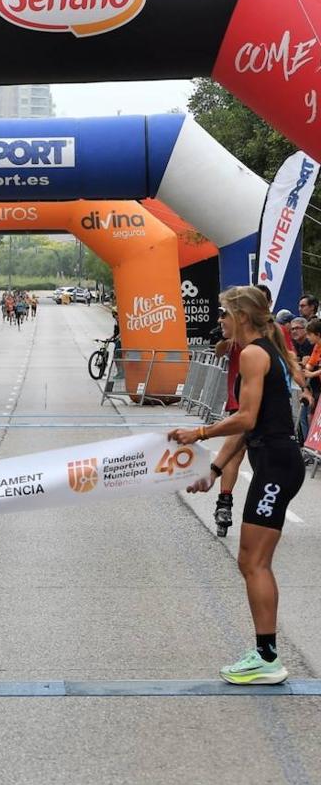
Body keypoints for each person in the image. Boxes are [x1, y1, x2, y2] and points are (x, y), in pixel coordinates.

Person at [169, 286, 306, 686]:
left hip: (277, 464)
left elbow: (245, 419)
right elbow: (252, 427)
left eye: (224, 314)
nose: (220, 321)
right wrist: (213, 471)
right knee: (251, 561)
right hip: (274, 460)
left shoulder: (252, 353)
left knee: (253, 562)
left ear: (242, 317)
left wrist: (199, 431)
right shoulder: (263, 350)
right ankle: (265, 654)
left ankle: (266, 657)